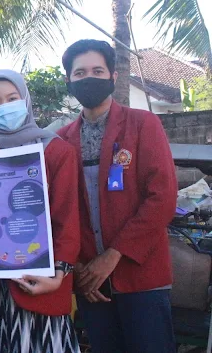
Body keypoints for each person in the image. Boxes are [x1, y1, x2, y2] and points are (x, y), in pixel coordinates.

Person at [58, 39, 177, 353]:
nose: (89, 78)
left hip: (141, 277)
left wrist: (112, 256)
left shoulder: (143, 124)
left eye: (97, 71)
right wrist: (80, 267)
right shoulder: (61, 140)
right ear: (68, 80)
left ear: (113, 76)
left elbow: (162, 198)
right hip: (91, 283)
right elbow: (60, 210)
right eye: (80, 73)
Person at [0, 70, 81, 353]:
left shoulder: (56, 152)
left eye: (12, 98)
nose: (4, 107)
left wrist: (58, 276)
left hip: (41, 284)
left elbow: (67, 221)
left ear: (26, 100)